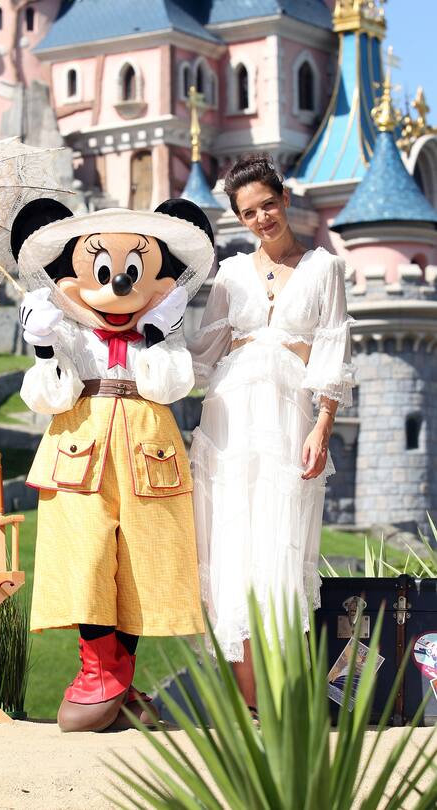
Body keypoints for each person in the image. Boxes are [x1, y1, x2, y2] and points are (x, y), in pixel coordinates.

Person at [11, 198, 214, 732]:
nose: (119, 286)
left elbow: (168, 387)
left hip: (150, 444)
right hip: (79, 442)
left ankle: (117, 679)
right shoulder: (68, 331)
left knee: (145, 559)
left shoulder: (161, 328)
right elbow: (50, 398)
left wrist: (159, 334)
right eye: (103, 272)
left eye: (133, 272)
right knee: (87, 556)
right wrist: (43, 348)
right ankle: (100, 673)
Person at [188, 154, 355, 714]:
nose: (261, 218)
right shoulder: (230, 274)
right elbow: (204, 355)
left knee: (279, 553)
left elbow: (332, 349)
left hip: (289, 421)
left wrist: (323, 427)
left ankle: (282, 704)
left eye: (266, 205)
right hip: (228, 422)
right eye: (247, 212)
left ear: (284, 199)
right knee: (232, 550)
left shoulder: (325, 268)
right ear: (239, 218)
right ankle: (248, 707)